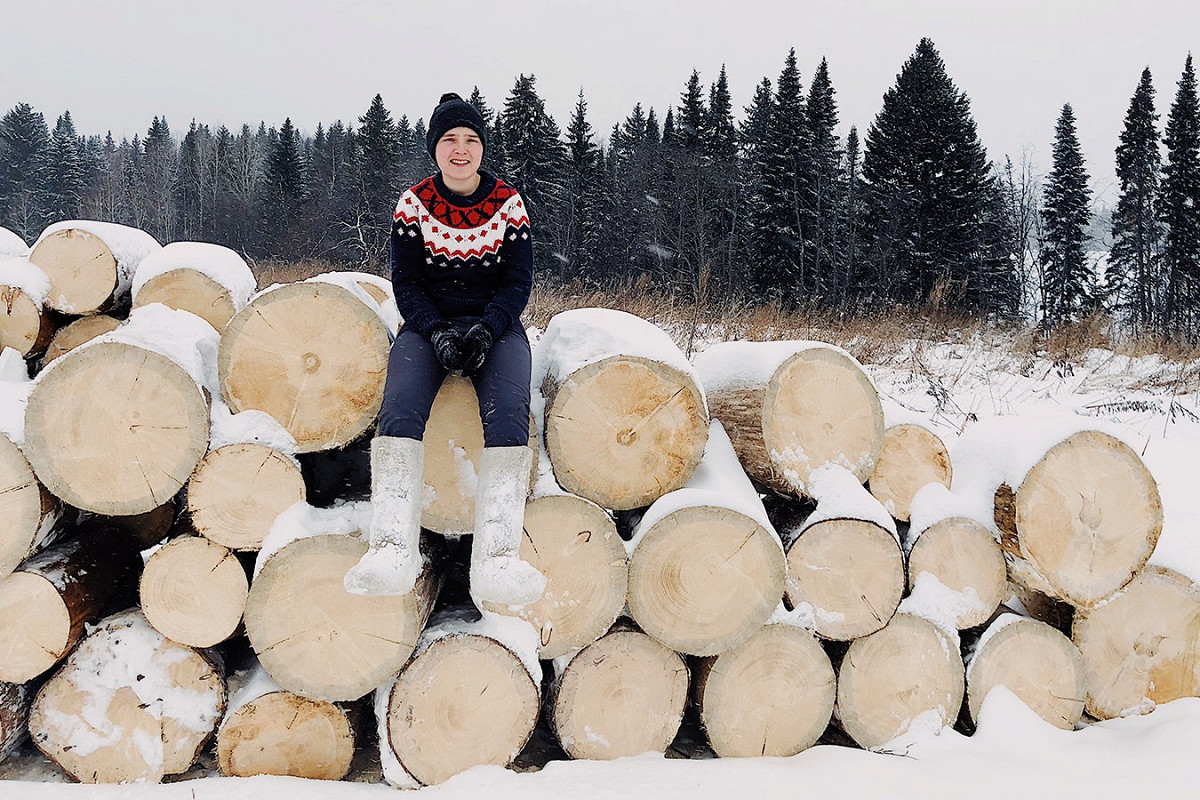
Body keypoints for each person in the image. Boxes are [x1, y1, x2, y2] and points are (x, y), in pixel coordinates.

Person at [344, 92, 545, 608]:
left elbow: (517, 283)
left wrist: (486, 331)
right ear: (435, 147)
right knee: (400, 408)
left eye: (471, 139)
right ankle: (392, 547)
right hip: (426, 323)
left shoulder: (509, 204)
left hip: (496, 327)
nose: (461, 149)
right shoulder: (412, 205)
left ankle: (497, 558)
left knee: (509, 413)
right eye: (450, 139)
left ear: (483, 148)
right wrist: (435, 331)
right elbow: (407, 284)